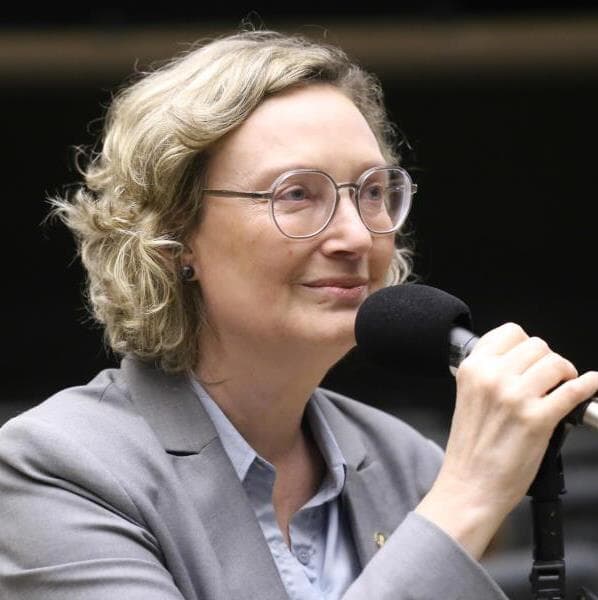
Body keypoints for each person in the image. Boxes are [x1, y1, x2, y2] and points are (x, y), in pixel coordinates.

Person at [0, 28, 596, 600]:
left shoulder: (406, 462)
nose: (355, 236)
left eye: (371, 191)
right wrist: (467, 498)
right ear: (173, 234)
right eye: (296, 194)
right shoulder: (58, 467)